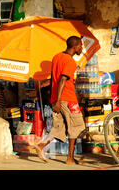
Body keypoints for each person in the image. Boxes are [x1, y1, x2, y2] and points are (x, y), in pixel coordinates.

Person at [32, 36, 85, 165]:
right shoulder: (70, 61)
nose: (82, 48)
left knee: (59, 127)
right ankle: (70, 158)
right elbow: (62, 79)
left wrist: (55, 100)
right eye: (81, 46)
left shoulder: (56, 57)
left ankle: (41, 145)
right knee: (77, 125)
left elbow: (54, 78)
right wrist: (59, 100)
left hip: (56, 98)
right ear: (75, 46)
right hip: (67, 98)